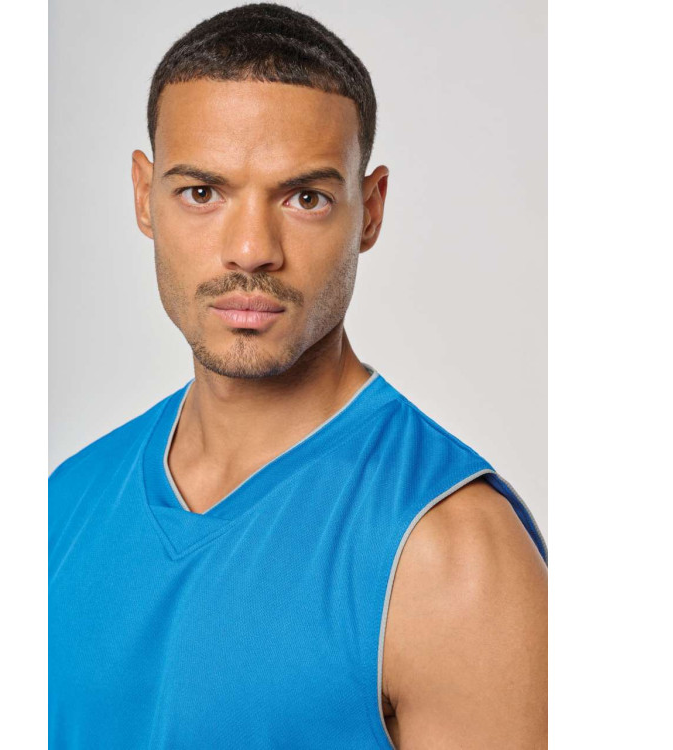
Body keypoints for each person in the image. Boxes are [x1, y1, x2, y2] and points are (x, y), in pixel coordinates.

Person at [48, 3, 548, 748]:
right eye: (202, 193)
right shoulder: (65, 503)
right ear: (143, 197)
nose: (252, 249)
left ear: (369, 211)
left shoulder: (452, 556)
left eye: (305, 198)